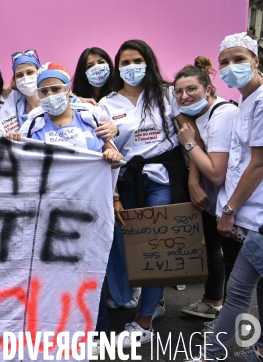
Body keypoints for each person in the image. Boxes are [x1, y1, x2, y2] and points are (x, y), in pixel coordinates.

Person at [99, 39, 190, 347]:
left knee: (156, 249)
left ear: (148, 62)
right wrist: (113, 196)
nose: (131, 67)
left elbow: (186, 133)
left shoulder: (166, 95)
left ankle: (144, 321)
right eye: (124, 62)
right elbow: (106, 150)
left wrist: (196, 180)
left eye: (137, 60)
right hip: (126, 181)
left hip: (162, 179)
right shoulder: (107, 104)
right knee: (133, 247)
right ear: (117, 67)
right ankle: (154, 300)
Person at [187, 33, 263, 362]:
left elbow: (258, 165)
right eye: (225, 63)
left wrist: (229, 210)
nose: (232, 67)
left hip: (256, 216)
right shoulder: (247, 100)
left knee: (237, 294)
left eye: (239, 59)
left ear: (256, 61)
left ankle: (210, 354)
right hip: (253, 215)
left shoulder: (259, 101)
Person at [173, 56, 242, 332]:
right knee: (212, 249)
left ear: (209, 90)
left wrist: (189, 144)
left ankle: (232, 324)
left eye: (192, 90)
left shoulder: (222, 114)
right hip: (214, 200)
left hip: (237, 201)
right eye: (179, 91)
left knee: (237, 263)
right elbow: (173, 102)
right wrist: (192, 180)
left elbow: (216, 173)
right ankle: (213, 301)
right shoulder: (196, 112)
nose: (184, 96)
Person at [24, 67, 123, 163]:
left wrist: (113, 155)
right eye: (43, 91)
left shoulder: (89, 118)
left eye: (55, 89)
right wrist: (12, 140)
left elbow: (115, 161)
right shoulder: (32, 126)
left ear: (68, 91)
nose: (50, 95)